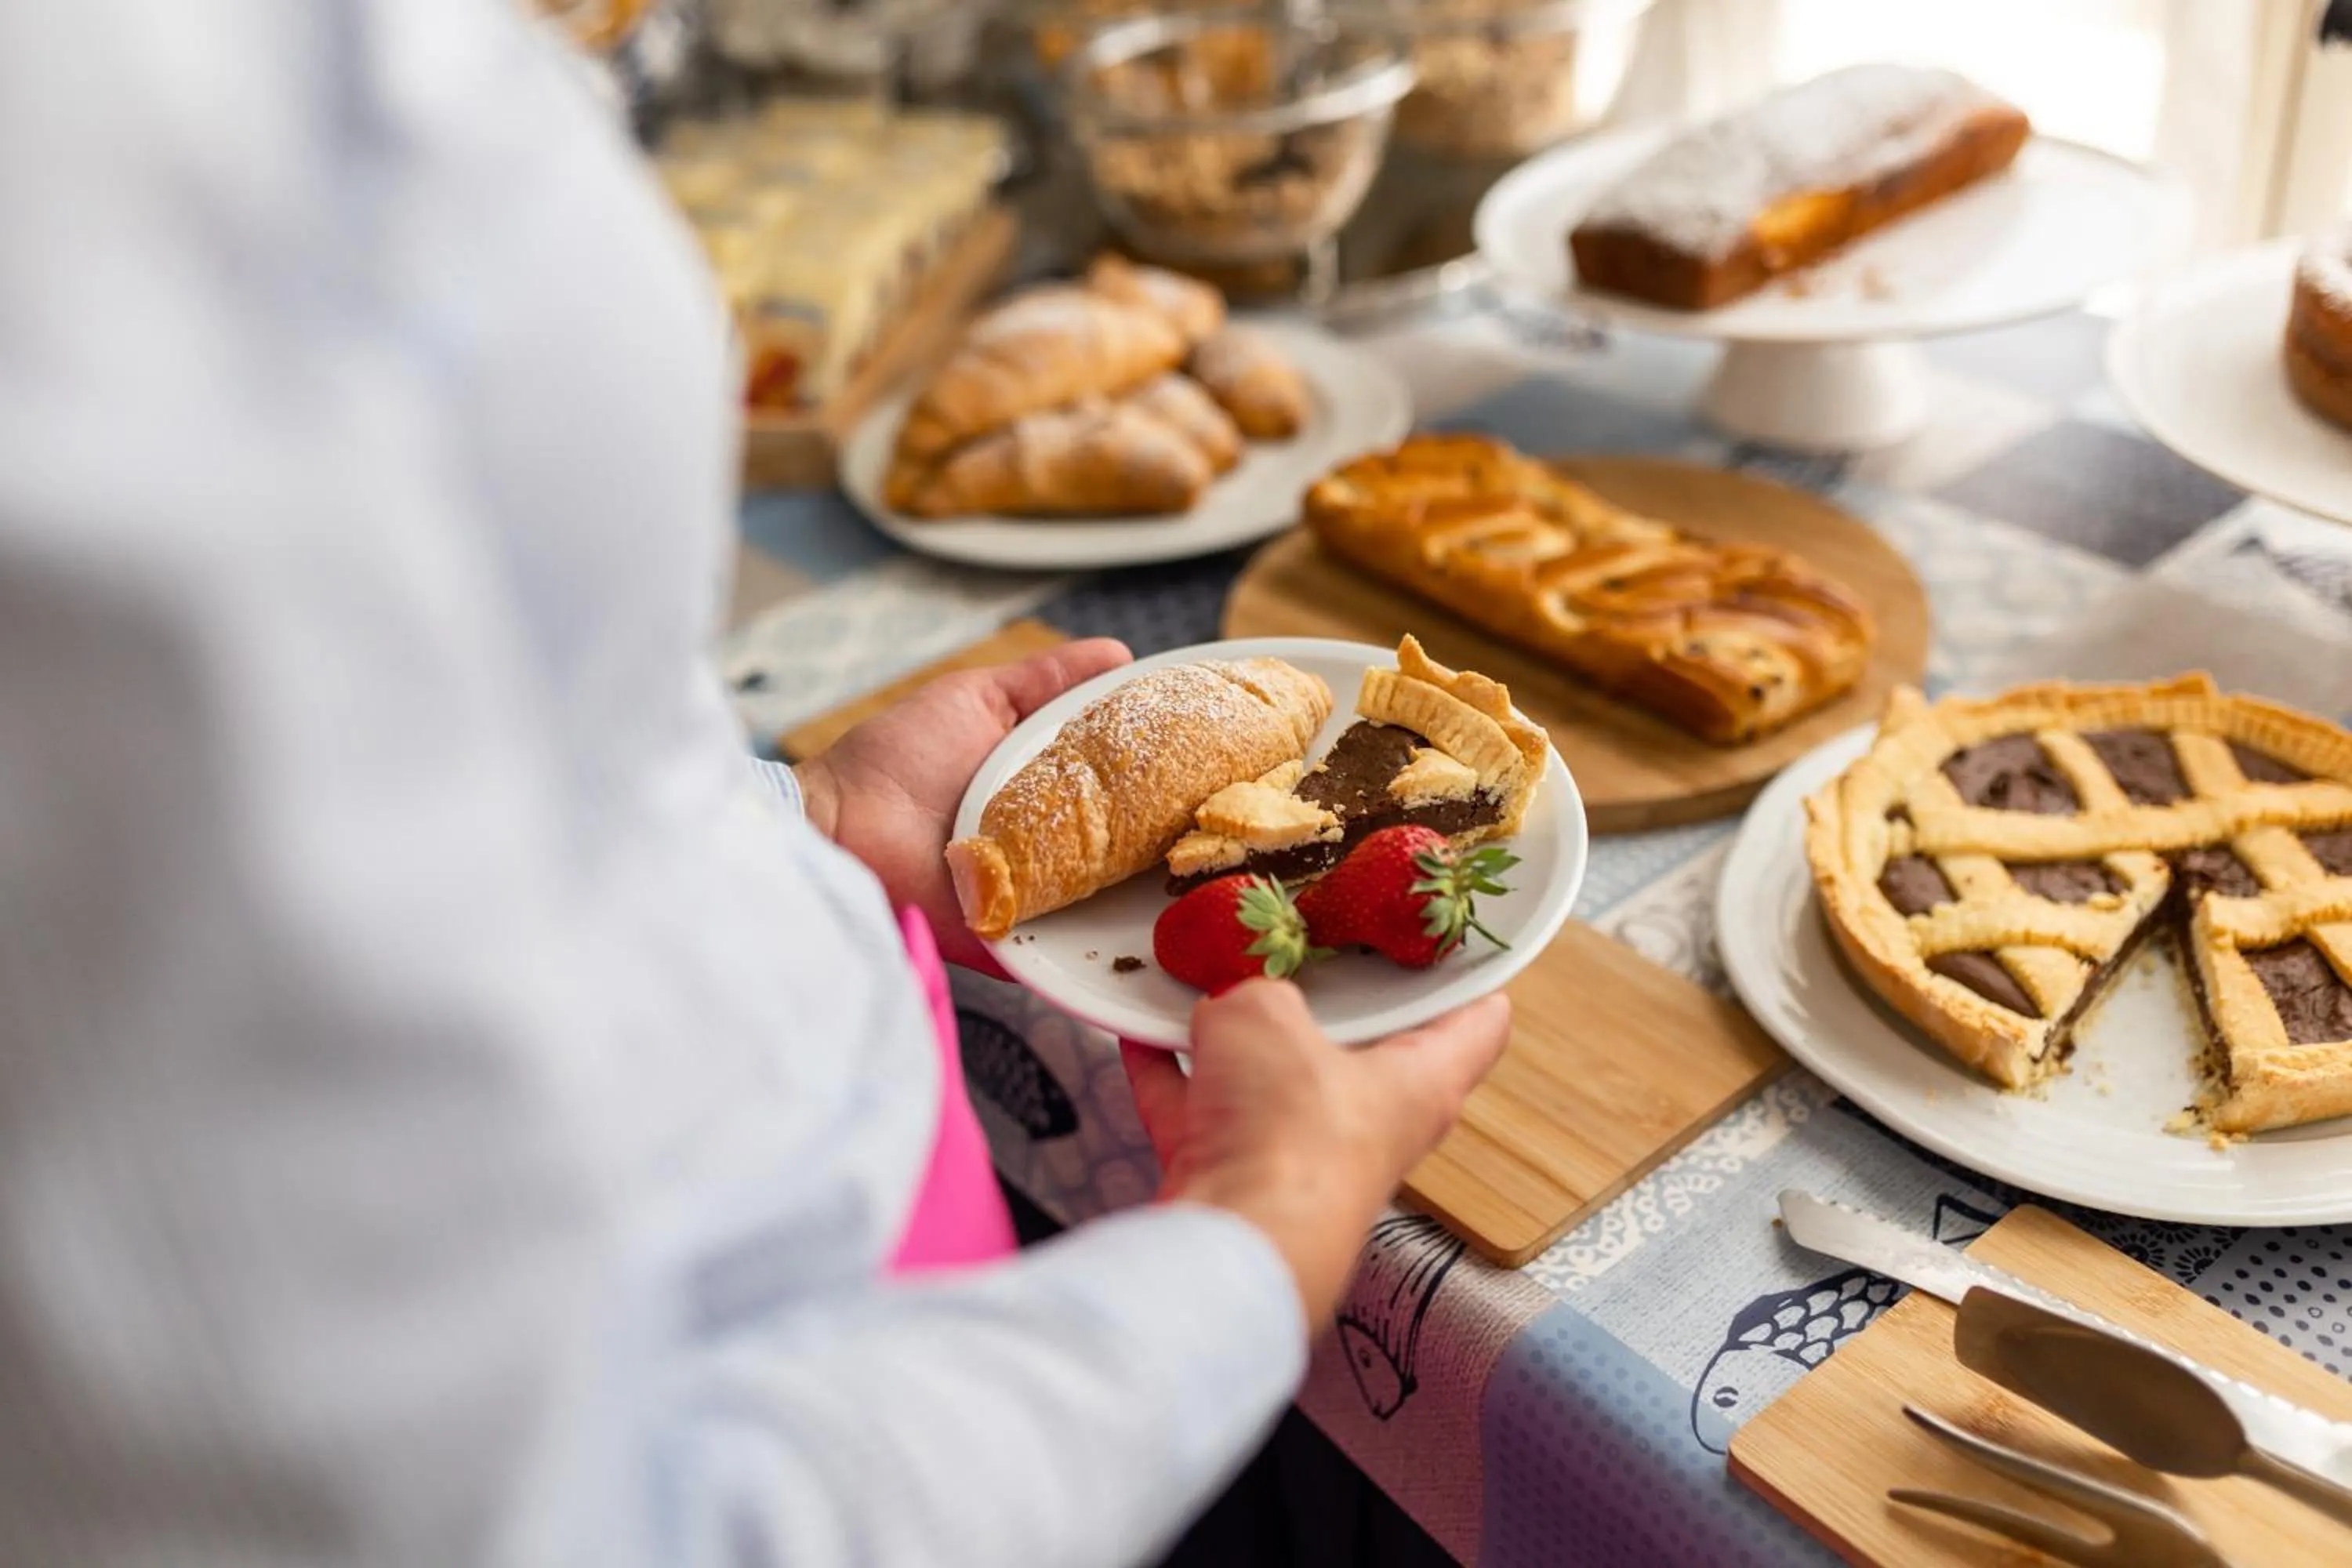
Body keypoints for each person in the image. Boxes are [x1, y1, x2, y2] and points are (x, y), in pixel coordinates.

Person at [0, 4, 1511, 1563]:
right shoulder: (68, 219)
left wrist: (812, 828)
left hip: (916, 1285)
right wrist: (1258, 1240)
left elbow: (455, 767)